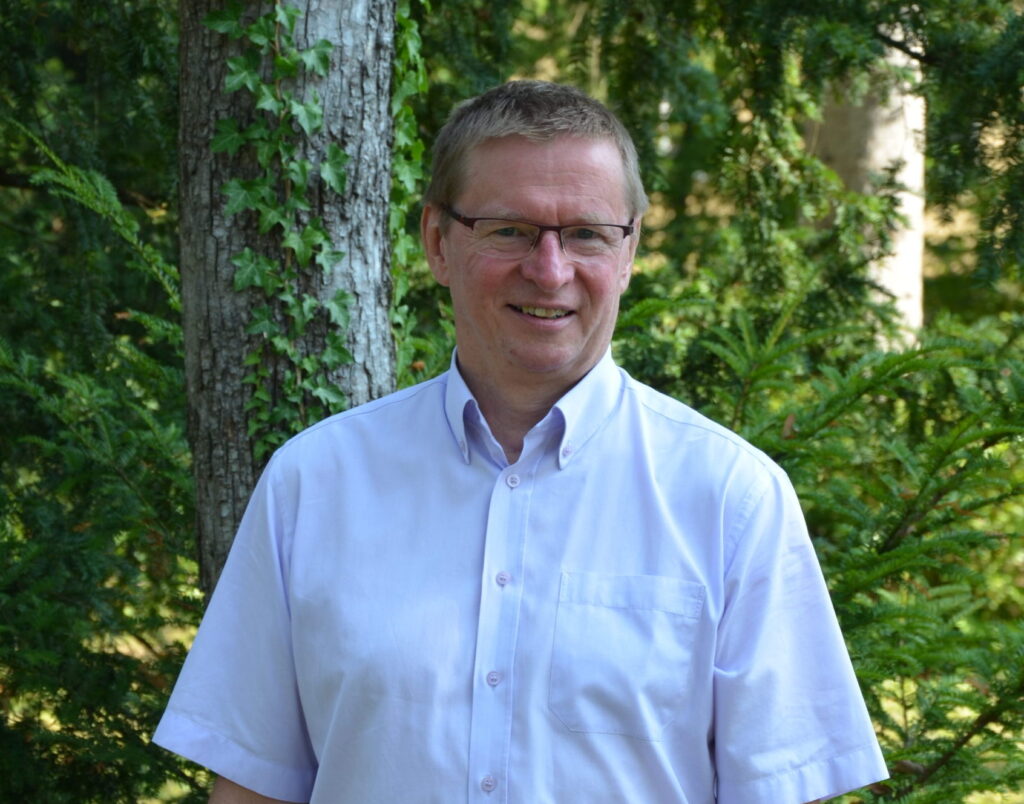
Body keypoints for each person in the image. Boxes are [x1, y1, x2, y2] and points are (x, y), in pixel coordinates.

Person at [153, 80, 889, 803]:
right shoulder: (314, 484)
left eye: (586, 234)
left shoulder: (731, 498)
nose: (550, 270)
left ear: (629, 252)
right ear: (438, 243)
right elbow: (253, 784)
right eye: (509, 230)